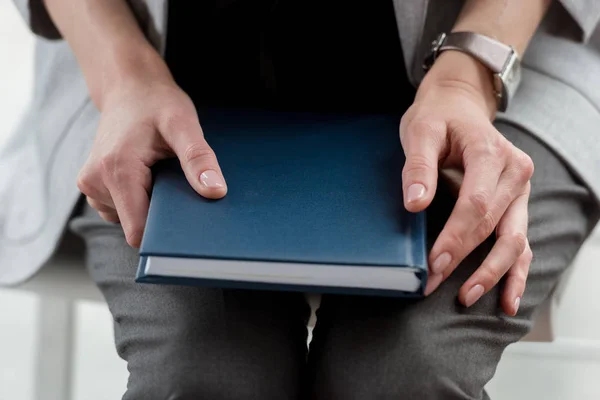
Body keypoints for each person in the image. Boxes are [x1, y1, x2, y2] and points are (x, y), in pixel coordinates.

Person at [4, 0, 600, 398]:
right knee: (200, 375)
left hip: (479, 69)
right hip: (161, 80)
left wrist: (469, 75)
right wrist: (124, 76)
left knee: (403, 374)